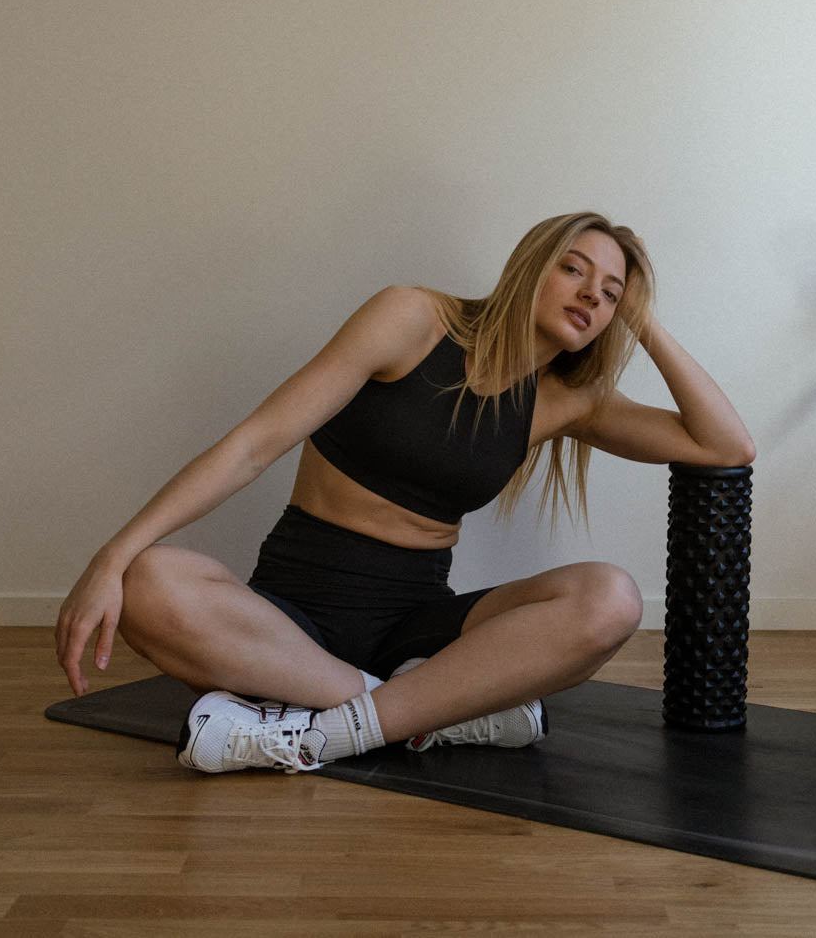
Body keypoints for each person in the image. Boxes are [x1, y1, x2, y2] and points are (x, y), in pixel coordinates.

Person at [56, 210, 755, 774]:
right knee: (146, 580)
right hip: (293, 616)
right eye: (574, 269)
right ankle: (424, 713)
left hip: (415, 623)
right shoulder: (413, 319)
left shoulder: (566, 400)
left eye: (609, 293)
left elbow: (726, 446)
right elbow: (252, 446)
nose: (589, 295)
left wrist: (644, 320)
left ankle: (325, 733)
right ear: (530, 266)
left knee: (612, 600)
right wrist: (111, 557)